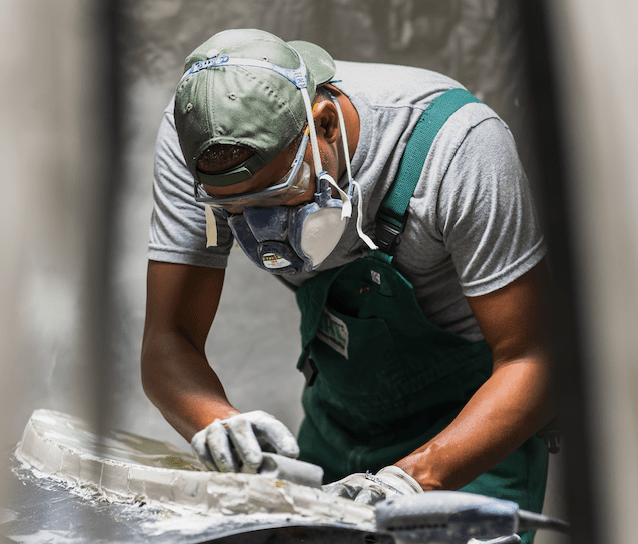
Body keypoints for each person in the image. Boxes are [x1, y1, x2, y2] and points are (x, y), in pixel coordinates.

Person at [141, 28, 553, 541]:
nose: (263, 230)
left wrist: (413, 480)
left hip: (473, 436)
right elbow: (168, 341)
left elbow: (534, 360)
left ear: (326, 124)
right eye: (234, 212)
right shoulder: (196, 146)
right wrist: (219, 423)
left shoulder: (458, 149)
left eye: (278, 196)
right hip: (337, 422)